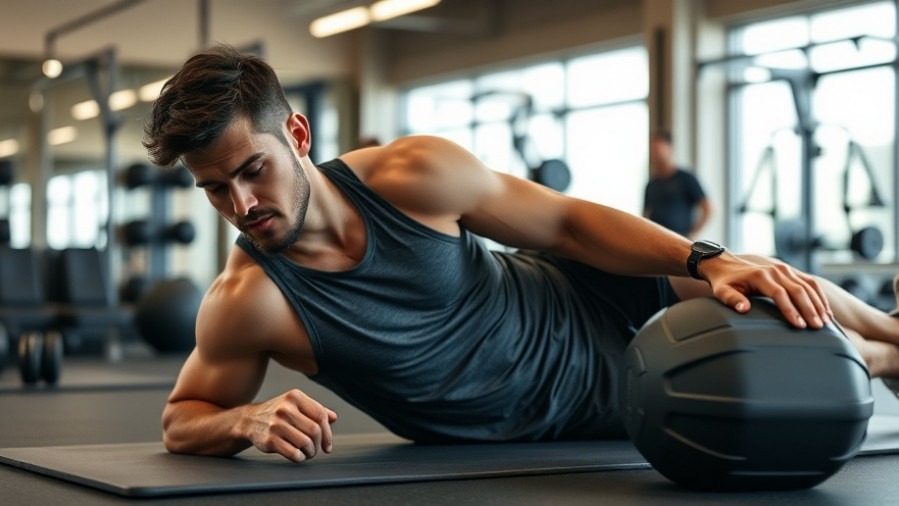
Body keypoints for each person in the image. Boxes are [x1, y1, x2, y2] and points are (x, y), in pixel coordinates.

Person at [144, 45, 899, 464]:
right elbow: (182, 418)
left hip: (587, 297)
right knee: (768, 370)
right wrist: (245, 420)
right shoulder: (249, 302)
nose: (241, 205)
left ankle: (890, 330)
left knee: (759, 282)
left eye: (253, 171)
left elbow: (567, 222)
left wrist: (707, 257)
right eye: (215, 190)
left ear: (298, 136)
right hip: (599, 409)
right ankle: (885, 354)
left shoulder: (412, 175)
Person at [643, 129, 711, 239]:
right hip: (655, 240)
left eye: (658, 149)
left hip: (679, 240)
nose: (655, 154)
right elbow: (645, 214)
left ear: (670, 149)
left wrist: (692, 234)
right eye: (652, 150)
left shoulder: (686, 178)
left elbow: (708, 208)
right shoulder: (651, 184)